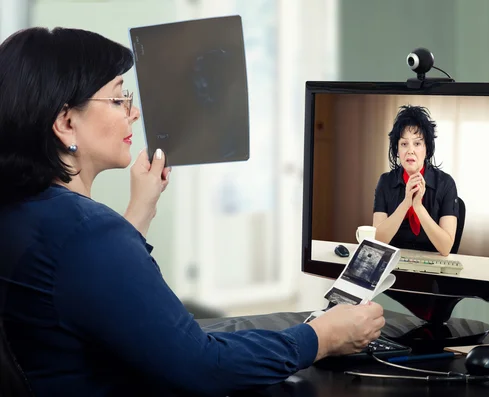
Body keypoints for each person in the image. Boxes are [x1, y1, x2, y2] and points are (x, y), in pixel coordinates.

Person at [0, 27, 385, 397]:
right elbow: (204, 368)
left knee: (269, 325)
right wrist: (323, 338)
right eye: (118, 99)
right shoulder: (87, 233)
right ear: (66, 123)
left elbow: (92, 291)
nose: (133, 115)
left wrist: (141, 209)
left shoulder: (24, 211)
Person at [373, 105, 459, 256]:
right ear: (397, 150)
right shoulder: (385, 181)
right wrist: (406, 203)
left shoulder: (446, 183)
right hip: (392, 263)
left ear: (427, 149)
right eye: (404, 144)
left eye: (417, 143)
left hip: (432, 267)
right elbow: (377, 241)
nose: (410, 150)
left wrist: (418, 206)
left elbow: (446, 248)